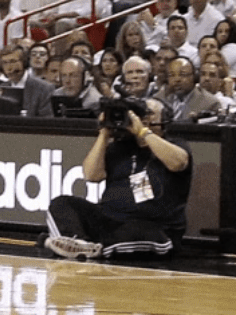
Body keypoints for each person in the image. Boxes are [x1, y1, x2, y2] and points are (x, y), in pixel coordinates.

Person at [45, 95, 193, 259]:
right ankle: (81, 245)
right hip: (109, 220)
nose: (141, 117)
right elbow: (91, 175)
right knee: (62, 203)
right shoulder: (118, 148)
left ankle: (92, 249)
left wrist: (143, 132)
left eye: (148, 113)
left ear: (164, 119)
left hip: (153, 225)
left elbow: (178, 163)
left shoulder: (175, 144)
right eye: (137, 113)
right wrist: (104, 133)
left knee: (138, 232)